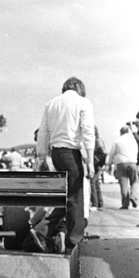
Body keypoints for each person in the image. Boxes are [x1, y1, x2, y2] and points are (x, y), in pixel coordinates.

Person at [36, 77, 95, 254]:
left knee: (64, 197)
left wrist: (41, 157)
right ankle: (74, 242)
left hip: (56, 154)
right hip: (71, 152)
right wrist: (90, 161)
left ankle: (44, 230)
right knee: (76, 198)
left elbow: (43, 132)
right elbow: (88, 131)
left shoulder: (51, 103)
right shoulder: (83, 102)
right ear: (79, 88)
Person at [107, 126, 139, 210]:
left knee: (123, 184)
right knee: (135, 181)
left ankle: (125, 204)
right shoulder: (133, 140)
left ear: (120, 132)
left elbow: (112, 153)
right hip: (132, 162)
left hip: (121, 163)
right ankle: (133, 195)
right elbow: (137, 151)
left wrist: (109, 164)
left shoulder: (117, 140)